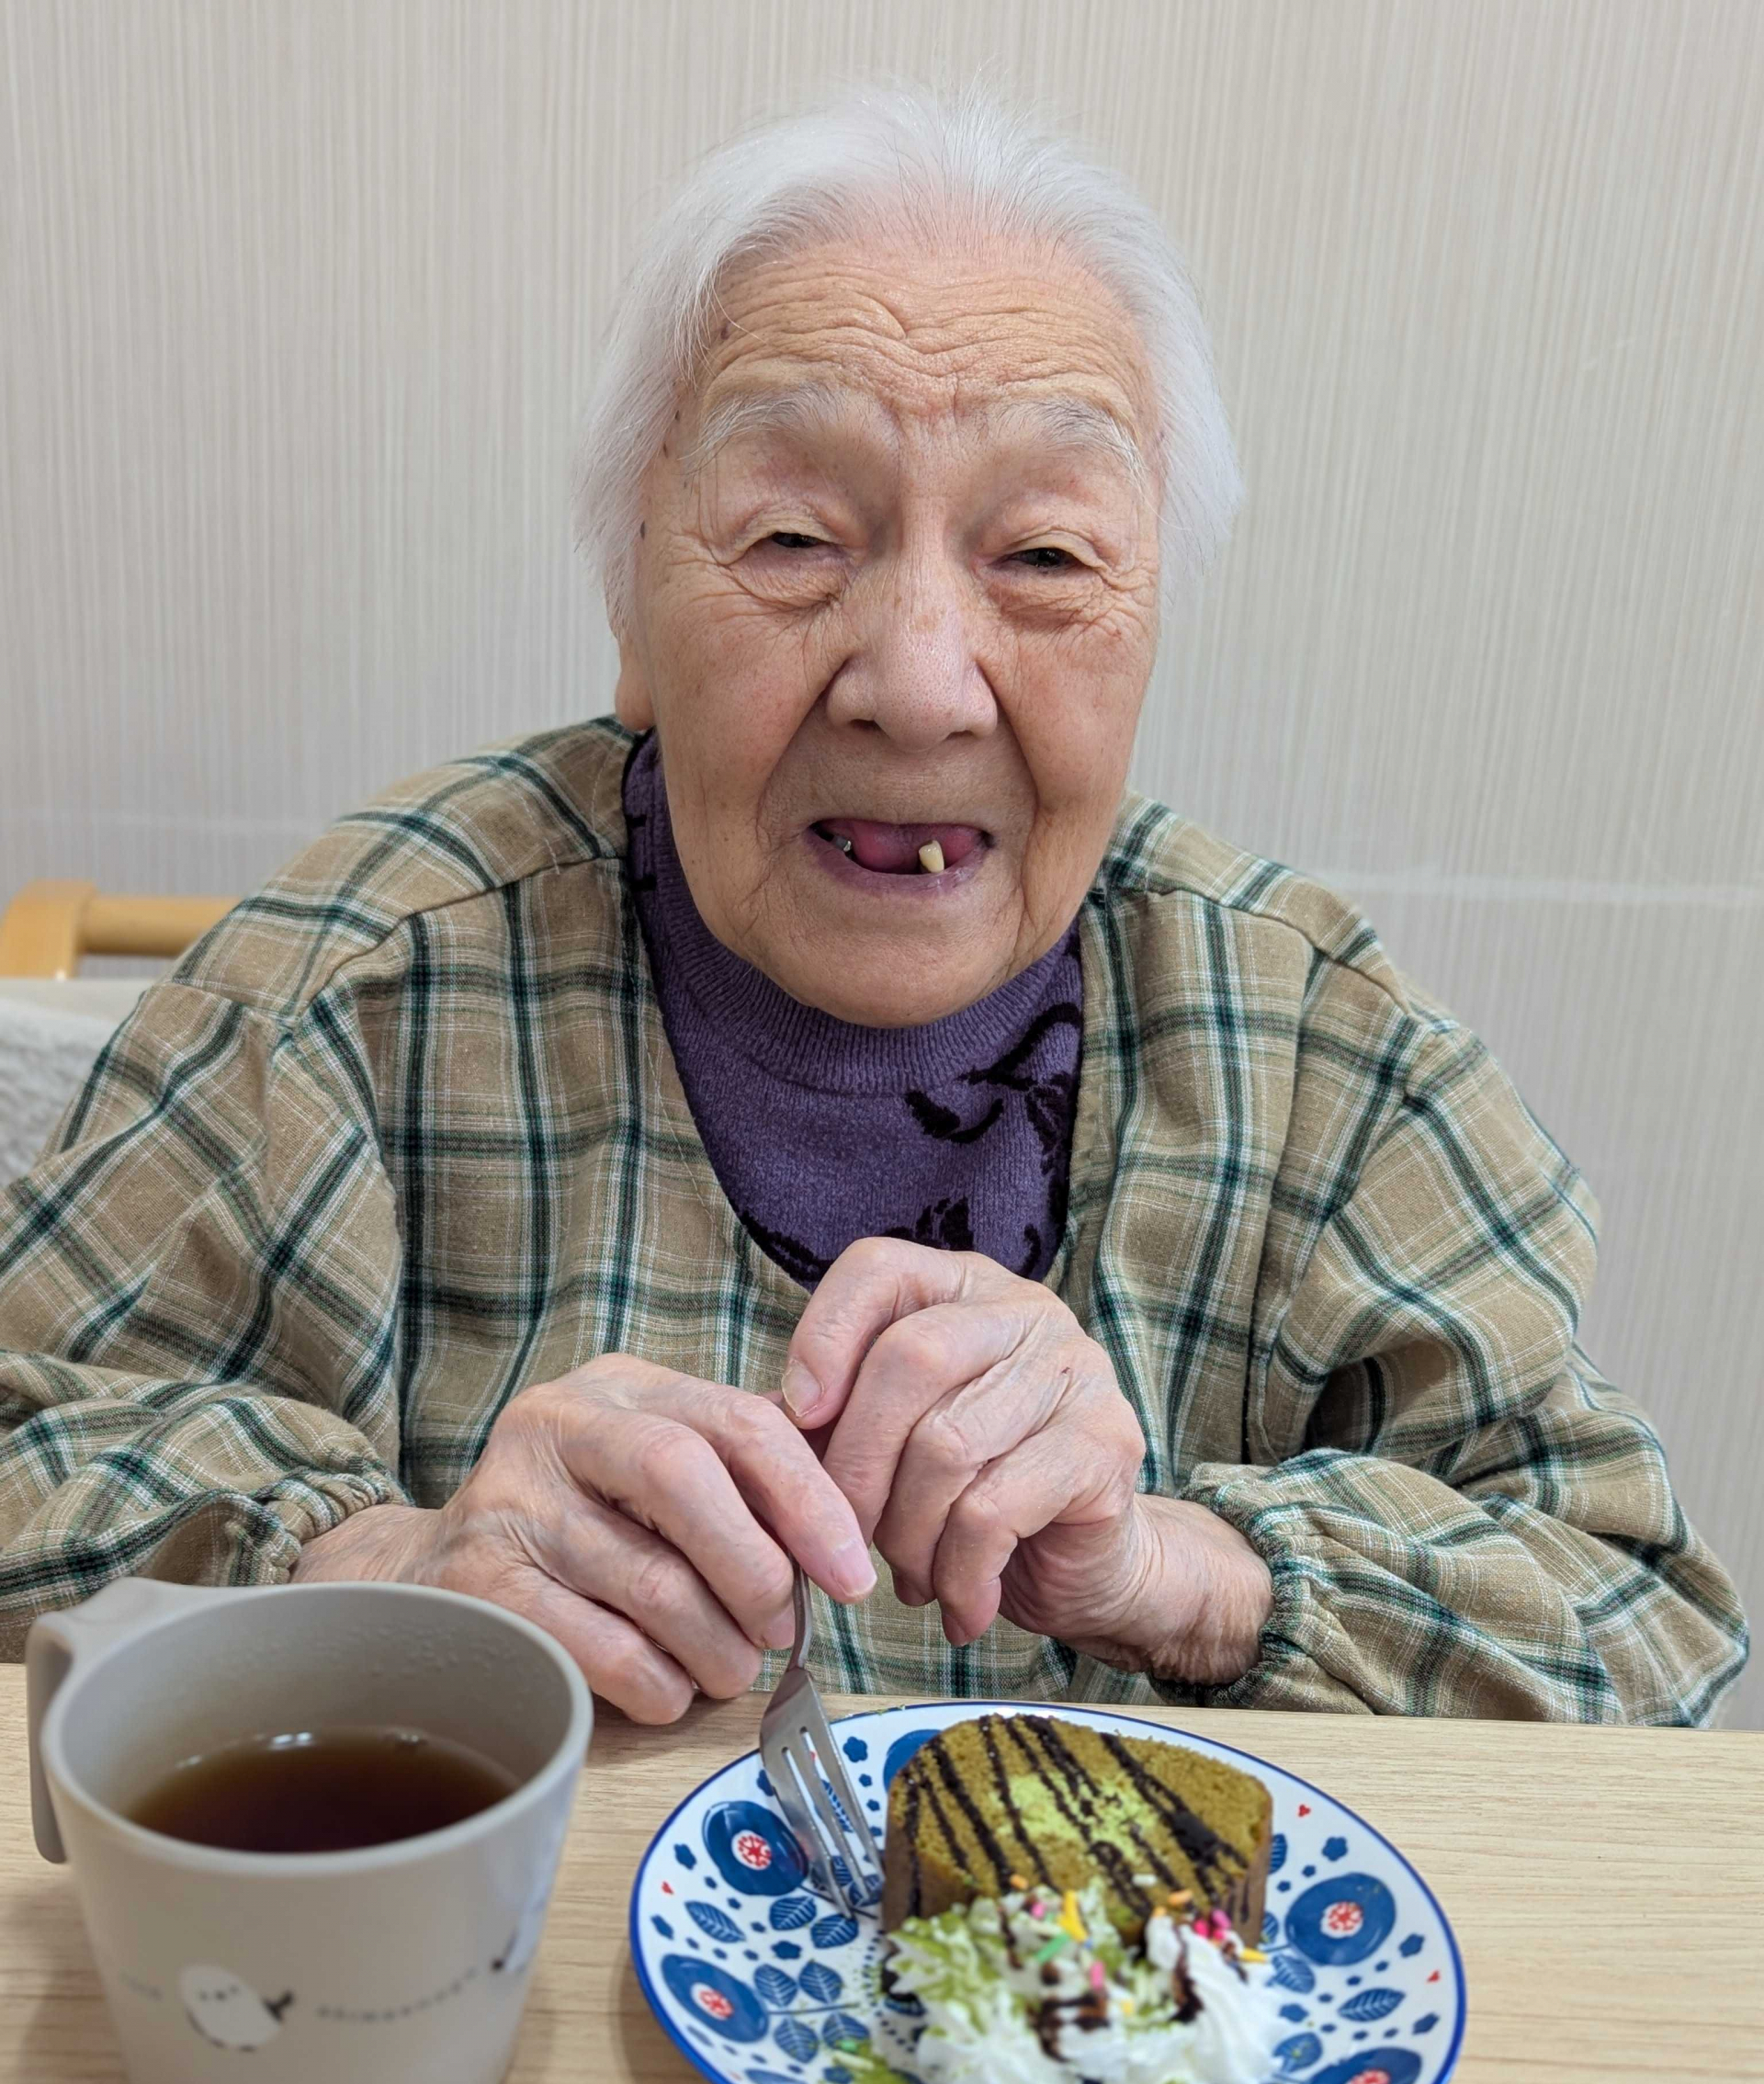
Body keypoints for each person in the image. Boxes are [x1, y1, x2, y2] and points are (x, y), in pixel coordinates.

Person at [0, 89, 1745, 1727]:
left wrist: (1177, 1567)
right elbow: (28, 1457)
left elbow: (1636, 1622)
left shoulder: (1313, 1051)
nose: (919, 684)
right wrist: (394, 1566)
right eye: (793, 539)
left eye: (1043, 555)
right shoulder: (355, 987)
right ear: (630, 609)